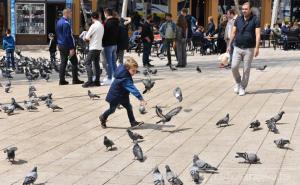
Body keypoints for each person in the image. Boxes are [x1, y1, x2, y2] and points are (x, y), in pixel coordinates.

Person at [99, 58, 146, 128]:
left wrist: (133, 69)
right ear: (127, 68)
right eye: (133, 71)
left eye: (135, 70)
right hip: (115, 96)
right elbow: (133, 89)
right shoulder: (125, 79)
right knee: (112, 110)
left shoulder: (123, 68)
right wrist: (141, 99)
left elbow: (127, 63)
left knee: (129, 107)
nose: (134, 72)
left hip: (122, 95)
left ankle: (133, 122)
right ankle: (103, 117)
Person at [227, 2, 261, 96]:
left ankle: (242, 87)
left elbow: (258, 35)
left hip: (249, 49)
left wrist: (257, 48)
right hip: (237, 47)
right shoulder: (238, 19)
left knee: (246, 69)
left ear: (250, 9)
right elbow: (233, 32)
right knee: (233, 66)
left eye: (246, 9)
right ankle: (238, 82)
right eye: (243, 9)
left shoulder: (255, 20)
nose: (244, 10)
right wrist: (229, 45)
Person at [56, 8, 83, 85]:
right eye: (70, 13)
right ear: (67, 13)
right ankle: (75, 79)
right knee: (74, 62)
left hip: (61, 44)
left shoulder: (59, 22)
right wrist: (71, 48)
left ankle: (62, 80)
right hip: (68, 46)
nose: (71, 15)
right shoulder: (66, 23)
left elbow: (59, 34)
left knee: (63, 62)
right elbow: (68, 36)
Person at [82, 12, 104, 88]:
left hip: (93, 47)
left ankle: (90, 80)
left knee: (87, 63)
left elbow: (86, 37)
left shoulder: (93, 26)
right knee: (96, 64)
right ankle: (97, 81)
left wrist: (86, 38)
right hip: (99, 47)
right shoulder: (101, 25)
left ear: (92, 18)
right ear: (98, 17)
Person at [102, 8, 120, 85]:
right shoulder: (116, 22)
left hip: (108, 44)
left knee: (109, 62)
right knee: (113, 61)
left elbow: (105, 34)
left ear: (106, 14)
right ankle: (116, 76)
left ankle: (110, 78)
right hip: (114, 44)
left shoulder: (107, 23)